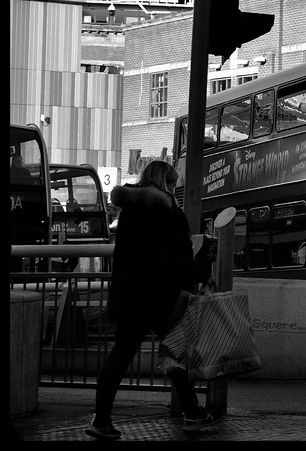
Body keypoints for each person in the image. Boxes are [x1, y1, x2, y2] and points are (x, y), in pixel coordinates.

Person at [86, 161, 219, 440]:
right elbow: (170, 258)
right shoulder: (164, 211)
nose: (175, 190)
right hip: (159, 296)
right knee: (176, 354)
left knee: (119, 358)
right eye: (173, 185)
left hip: (130, 295)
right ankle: (193, 414)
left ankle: (101, 418)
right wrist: (202, 272)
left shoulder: (131, 209)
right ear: (165, 183)